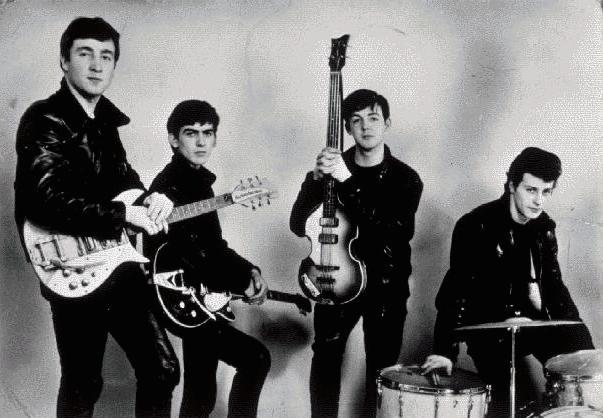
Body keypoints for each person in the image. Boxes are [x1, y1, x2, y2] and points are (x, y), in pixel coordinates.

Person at [14, 17, 180, 417]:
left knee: (162, 370)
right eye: (85, 53)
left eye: (106, 56)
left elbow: (123, 179)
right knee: (83, 382)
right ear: (64, 60)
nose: (96, 65)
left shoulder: (105, 122)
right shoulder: (44, 119)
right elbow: (43, 200)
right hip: (69, 263)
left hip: (114, 260)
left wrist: (152, 199)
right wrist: (124, 213)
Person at [422, 147, 595, 417]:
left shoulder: (543, 228)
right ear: (512, 185)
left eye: (546, 191)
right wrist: (444, 351)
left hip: (536, 325)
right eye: (531, 190)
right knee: (512, 404)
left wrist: (585, 351)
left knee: (586, 381)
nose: (538, 200)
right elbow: (455, 293)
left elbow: (555, 289)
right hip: (492, 333)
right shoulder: (475, 225)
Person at [290, 89, 423, 417]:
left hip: (386, 284)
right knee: (325, 358)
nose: (366, 127)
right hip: (336, 276)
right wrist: (314, 180)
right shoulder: (332, 171)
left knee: (381, 368)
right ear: (347, 128)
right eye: (356, 120)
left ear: (387, 123)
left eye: (373, 118)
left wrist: (347, 180)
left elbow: (391, 231)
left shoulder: (406, 179)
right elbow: (298, 225)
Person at [146, 99, 271, 418]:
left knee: (200, 393)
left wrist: (250, 271)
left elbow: (213, 246)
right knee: (254, 359)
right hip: (180, 298)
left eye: (208, 133)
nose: (201, 142)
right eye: (191, 133)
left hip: (197, 297)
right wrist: (240, 280)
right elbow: (186, 255)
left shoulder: (198, 184)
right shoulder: (166, 187)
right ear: (174, 139)